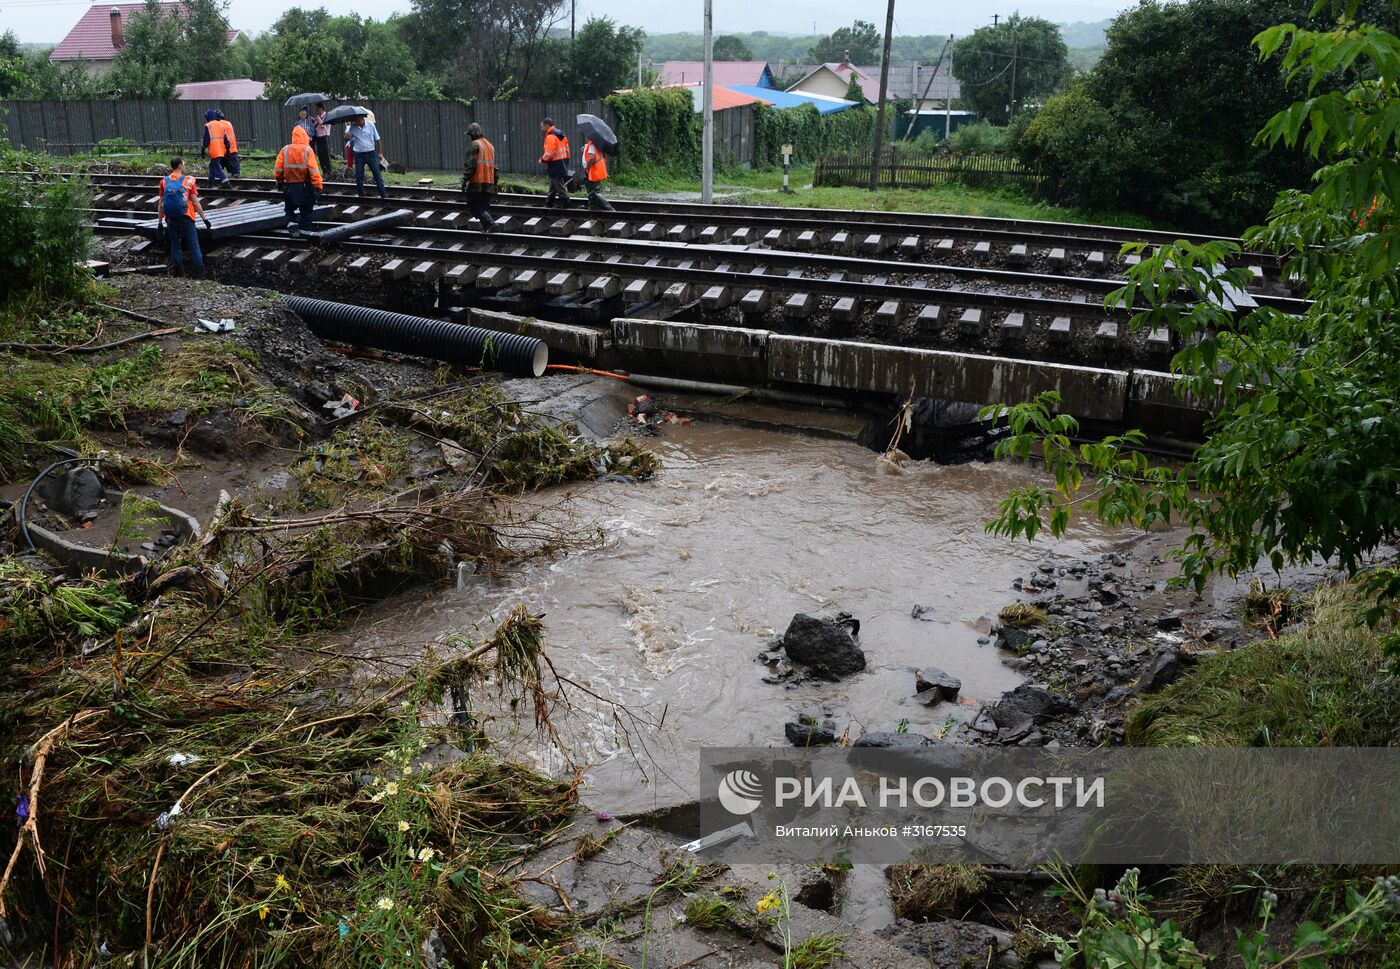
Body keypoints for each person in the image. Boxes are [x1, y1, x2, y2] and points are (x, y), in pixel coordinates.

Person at [155, 156, 211, 276]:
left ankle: (179, 273)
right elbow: (195, 203)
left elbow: (161, 205)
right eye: (183, 163)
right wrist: (204, 219)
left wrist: (160, 223)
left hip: (170, 219)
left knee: (175, 245)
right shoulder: (189, 181)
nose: (184, 165)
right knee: (193, 245)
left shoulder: (164, 181)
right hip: (187, 217)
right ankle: (200, 274)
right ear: (180, 166)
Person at [274, 125, 324, 237]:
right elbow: (314, 171)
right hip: (305, 186)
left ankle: (292, 227)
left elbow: (278, 169)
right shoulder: (307, 150)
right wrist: (318, 186)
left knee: (289, 209)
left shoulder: (285, 149)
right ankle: (305, 231)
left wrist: (280, 181)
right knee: (306, 210)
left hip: (289, 186)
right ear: (304, 136)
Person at [460, 122, 498, 231]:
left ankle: (491, 224)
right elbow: (495, 167)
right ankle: (487, 228)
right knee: (484, 207)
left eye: (470, 134)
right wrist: (495, 183)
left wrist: (464, 180)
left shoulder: (475, 144)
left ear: (472, 134)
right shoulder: (490, 146)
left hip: (478, 182)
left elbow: (470, 164)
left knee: (474, 205)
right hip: (489, 182)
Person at [345, 114, 388, 198]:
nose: (357, 121)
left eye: (358, 119)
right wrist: (347, 136)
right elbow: (346, 139)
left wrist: (380, 153)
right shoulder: (353, 127)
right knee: (359, 176)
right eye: (356, 120)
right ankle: (361, 195)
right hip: (359, 155)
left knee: (377, 174)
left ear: (362, 118)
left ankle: (383, 194)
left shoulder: (371, 125)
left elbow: (378, 140)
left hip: (370, 153)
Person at [538, 117, 571, 208]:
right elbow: (568, 151)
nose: (541, 129)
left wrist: (542, 159)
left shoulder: (550, 137)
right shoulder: (561, 134)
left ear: (547, 126)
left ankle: (568, 207)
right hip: (562, 163)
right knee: (554, 185)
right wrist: (566, 162)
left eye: (542, 127)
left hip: (555, 165)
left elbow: (549, 154)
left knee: (560, 188)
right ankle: (548, 205)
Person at [580, 135, 614, 212]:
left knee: (594, 193)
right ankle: (592, 209)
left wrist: (587, 168)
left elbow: (591, 157)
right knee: (591, 192)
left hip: (593, 170)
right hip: (597, 170)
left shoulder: (592, 145)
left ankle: (609, 209)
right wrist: (585, 148)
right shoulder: (595, 144)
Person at [200, 108, 232, 187]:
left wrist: (203, 149)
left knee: (217, 167)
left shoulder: (209, 125)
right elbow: (226, 139)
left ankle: (227, 183)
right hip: (221, 150)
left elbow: (206, 139)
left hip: (214, 150)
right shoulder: (221, 124)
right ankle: (210, 183)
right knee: (212, 166)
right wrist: (228, 149)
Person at [215, 110, 241, 179]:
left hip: (223, 150)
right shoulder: (228, 123)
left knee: (219, 169)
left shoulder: (217, 124)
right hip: (233, 149)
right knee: (235, 171)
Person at [313, 102, 332, 176]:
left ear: (322, 108)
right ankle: (324, 171)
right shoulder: (318, 116)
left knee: (325, 154)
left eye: (319, 109)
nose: (318, 111)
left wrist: (318, 119)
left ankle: (328, 171)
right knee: (320, 155)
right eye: (317, 110)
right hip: (318, 137)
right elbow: (315, 126)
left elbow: (323, 125)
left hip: (324, 136)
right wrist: (315, 120)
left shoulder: (326, 116)